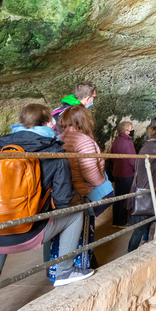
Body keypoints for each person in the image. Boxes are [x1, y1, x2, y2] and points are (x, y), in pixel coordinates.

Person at [0, 104, 93, 311]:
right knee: (75, 213)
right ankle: (64, 271)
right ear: (49, 123)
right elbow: (63, 201)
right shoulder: (53, 150)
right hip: (25, 230)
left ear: (20, 122)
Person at [59, 105, 113, 269]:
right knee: (84, 228)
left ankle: (69, 263)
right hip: (84, 192)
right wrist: (103, 183)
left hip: (67, 191)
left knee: (70, 229)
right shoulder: (83, 140)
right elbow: (90, 172)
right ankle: (83, 264)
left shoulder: (61, 138)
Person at [110, 121, 136, 228]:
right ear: (126, 131)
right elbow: (132, 159)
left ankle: (116, 221)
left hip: (117, 172)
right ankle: (122, 222)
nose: (133, 130)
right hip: (127, 173)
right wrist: (136, 170)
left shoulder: (116, 140)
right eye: (131, 128)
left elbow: (112, 155)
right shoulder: (128, 141)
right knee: (125, 198)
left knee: (118, 197)